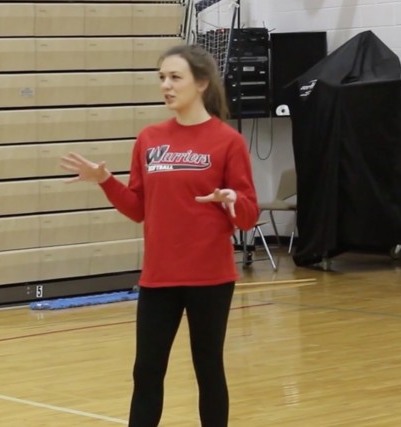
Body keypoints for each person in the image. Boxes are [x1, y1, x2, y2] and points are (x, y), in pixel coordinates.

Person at [60, 44, 258, 427]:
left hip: (211, 278)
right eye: (162, 78)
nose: (166, 86)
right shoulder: (149, 139)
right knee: (146, 372)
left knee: (209, 370)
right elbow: (138, 208)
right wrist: (105, 181)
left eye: (175, 77)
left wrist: (233, 199)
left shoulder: (227, 141)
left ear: (201, 83)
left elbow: (248, 216)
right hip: (159, 276)